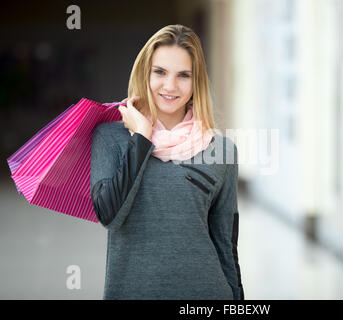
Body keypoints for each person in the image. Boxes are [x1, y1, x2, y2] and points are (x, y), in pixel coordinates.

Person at [90, 24, 244, 300]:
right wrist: (141, 138)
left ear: (196, 82)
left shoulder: (221, 150)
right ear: (145, 73)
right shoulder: (110, 138)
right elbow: (109, 216)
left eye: (183, 75)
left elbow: (226, 244)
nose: (170, 86)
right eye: (160, 72)